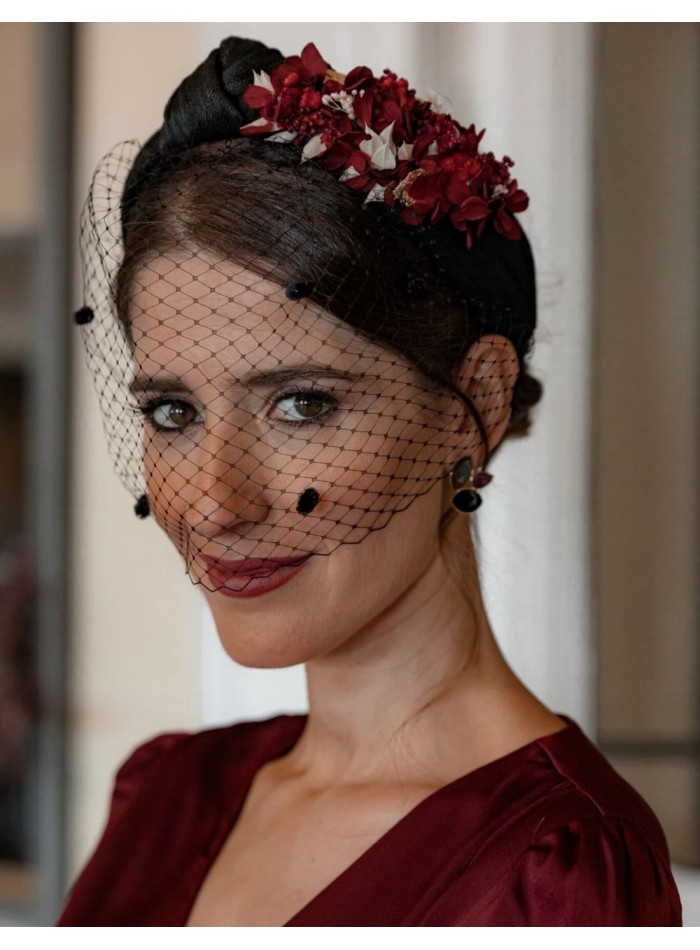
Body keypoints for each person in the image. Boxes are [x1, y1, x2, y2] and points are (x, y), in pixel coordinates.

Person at [56, 37, 682, 926]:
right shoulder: (165, 793)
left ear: (474, 402)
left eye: (301, 404)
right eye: (173, 412)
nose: (214, 504)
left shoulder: (555, 874)